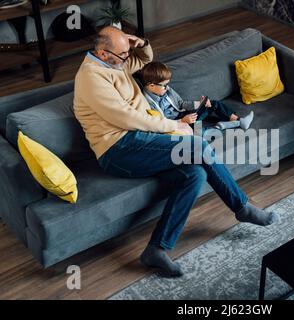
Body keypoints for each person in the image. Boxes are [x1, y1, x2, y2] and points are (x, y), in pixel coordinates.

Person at [73, 26, 279, 277]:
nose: (128, 58)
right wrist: (175, 126)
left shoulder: (116, 63)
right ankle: (242, 207)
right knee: (198, 145)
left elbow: (144, 59)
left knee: (195, 175)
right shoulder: (92, 78)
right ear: (103, 53)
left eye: (127, 52)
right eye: (123, 54)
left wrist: (140, 43)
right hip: (118, 148)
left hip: (141, 138)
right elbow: (127, 119)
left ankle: (156, 250)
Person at [141, 61, 254, 132]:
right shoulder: (148, 102)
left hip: (185, 115)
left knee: (212, 104)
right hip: (177, 123)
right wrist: (182, 121)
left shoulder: (166, 90)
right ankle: (218, 127)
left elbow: (181, 103)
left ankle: (239, 121)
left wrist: (199, 104)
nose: (167, 87)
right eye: (164, 85)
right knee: (196, 130)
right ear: (151, 86)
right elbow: (161, 123)